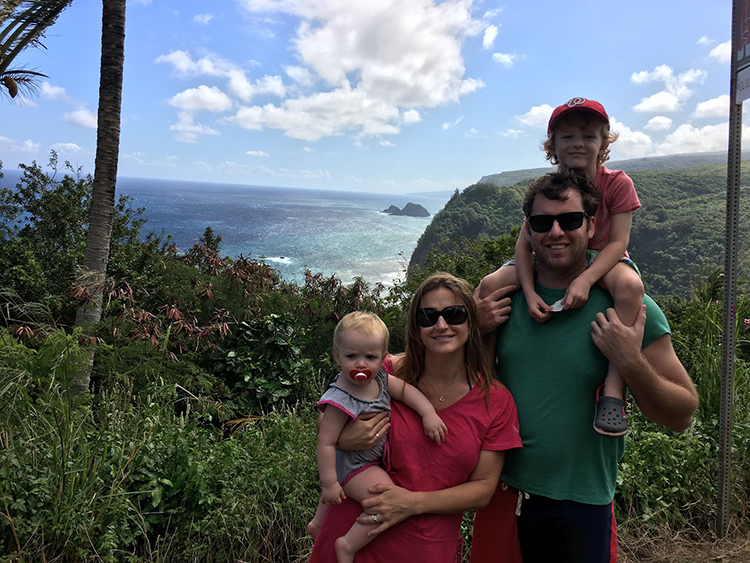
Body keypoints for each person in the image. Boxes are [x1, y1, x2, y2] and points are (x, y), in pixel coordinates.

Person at [471, 170, 698, 563]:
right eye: (542, 222)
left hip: (583, 503)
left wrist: (630, 360)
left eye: (570, 220)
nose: (556, 232)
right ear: (528, 230)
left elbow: (682, 413)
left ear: (592, 225)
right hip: (501, 493)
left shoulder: (628, 308)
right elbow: (450, 375)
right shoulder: (502, 301)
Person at [309, 272, 522, 562]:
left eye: (454, 314)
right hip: (350, 535)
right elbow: (329, 416)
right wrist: (346, 438)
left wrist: (411, 503)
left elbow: (483, 490)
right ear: (415, 327)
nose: (441, 325)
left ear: (471, 323)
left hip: (426, 547)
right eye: (428, 317)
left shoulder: (495, 401)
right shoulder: (384, 372)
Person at [477, 97, 643, 437]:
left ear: (603, 143)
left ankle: (613, 392)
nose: (578, 143)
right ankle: (486, 377)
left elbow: (618, 242)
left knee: (630, 289)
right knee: (489, 286)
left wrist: (585, 279)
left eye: (588, 135)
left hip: (601, 257)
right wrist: (527, 289)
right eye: (567, 137)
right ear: (553, 146)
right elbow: (523, 245)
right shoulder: (550, 189)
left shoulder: (617, 183)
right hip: (549, 255)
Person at [308, 311, 448, 563]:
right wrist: (329, 484)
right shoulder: (340, 398)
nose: (361, 364)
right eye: (352, 356)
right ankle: (348, 545)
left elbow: (405, 392)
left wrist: (428, 413)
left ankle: (318, 524)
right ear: (337, 356)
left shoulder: (381, 378)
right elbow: (326, 442)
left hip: (363, 461)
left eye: (370, 357)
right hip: (356, 466)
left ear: (383, 358)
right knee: (385, 500)